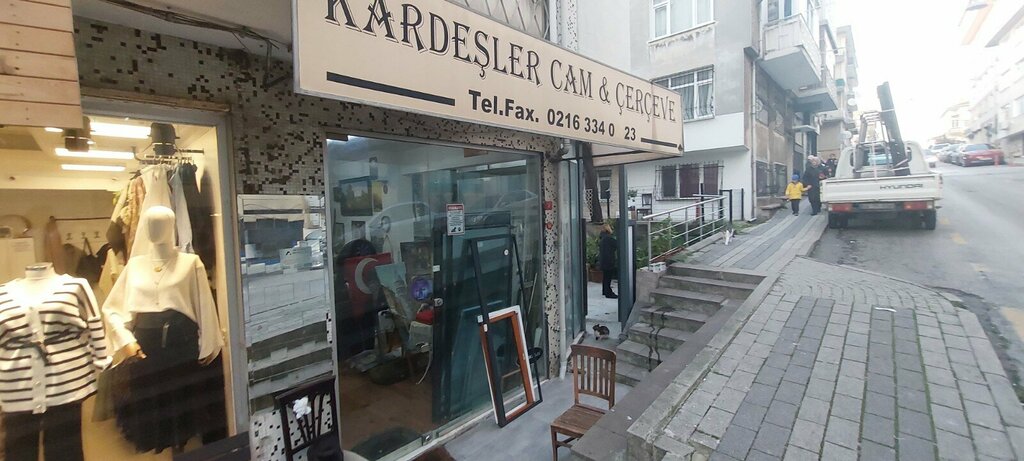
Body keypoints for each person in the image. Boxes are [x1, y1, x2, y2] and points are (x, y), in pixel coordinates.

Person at [598, 225, 618, 299]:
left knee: (605, 277)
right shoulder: (609, 238)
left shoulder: (602, 237)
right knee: (608, 278)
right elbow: (617, 244)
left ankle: (605, 290)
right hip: (609, 261)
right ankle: (608, 292)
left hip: (603, 260)